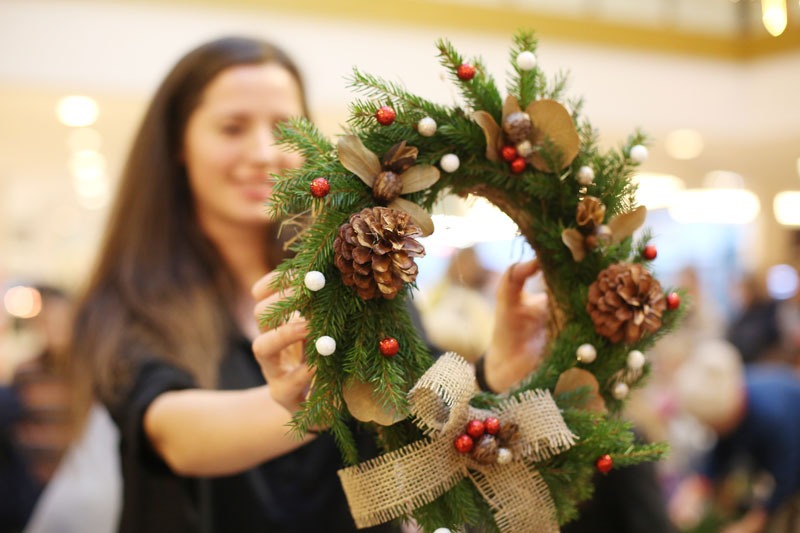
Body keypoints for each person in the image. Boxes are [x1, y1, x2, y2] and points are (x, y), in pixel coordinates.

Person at [69, 36, 549, 533]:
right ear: (178, 144)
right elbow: (173, 433)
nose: (263, 153)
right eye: (232, 128)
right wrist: (304, 402)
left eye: (283, 129)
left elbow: (416, 407)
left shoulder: (358, 268)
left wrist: (498, 370)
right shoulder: (127, 300)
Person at [671, 340, 800, 533]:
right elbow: (722, 448)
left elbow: (787, 476)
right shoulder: (732, 407)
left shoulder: (772, 416)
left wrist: (750, 523)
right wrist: (698, 485)